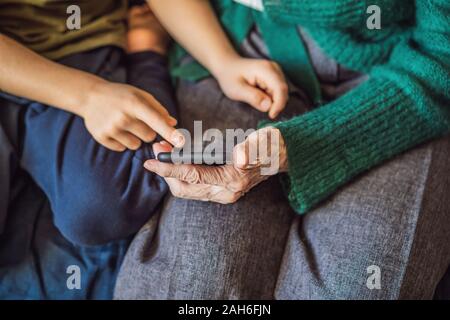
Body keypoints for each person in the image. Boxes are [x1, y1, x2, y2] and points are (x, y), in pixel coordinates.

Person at [115, 0, 450, 299]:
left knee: (357, 284)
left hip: (405, 82)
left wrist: (298, 146)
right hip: (238, 51)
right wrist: (222, 61)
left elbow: (442, 57)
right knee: (193, 276)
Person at [0, 1, 181, 246]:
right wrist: (90, 96)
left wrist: (223, 62)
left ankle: (145, 50)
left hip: (81, 47)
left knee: (101, 206)